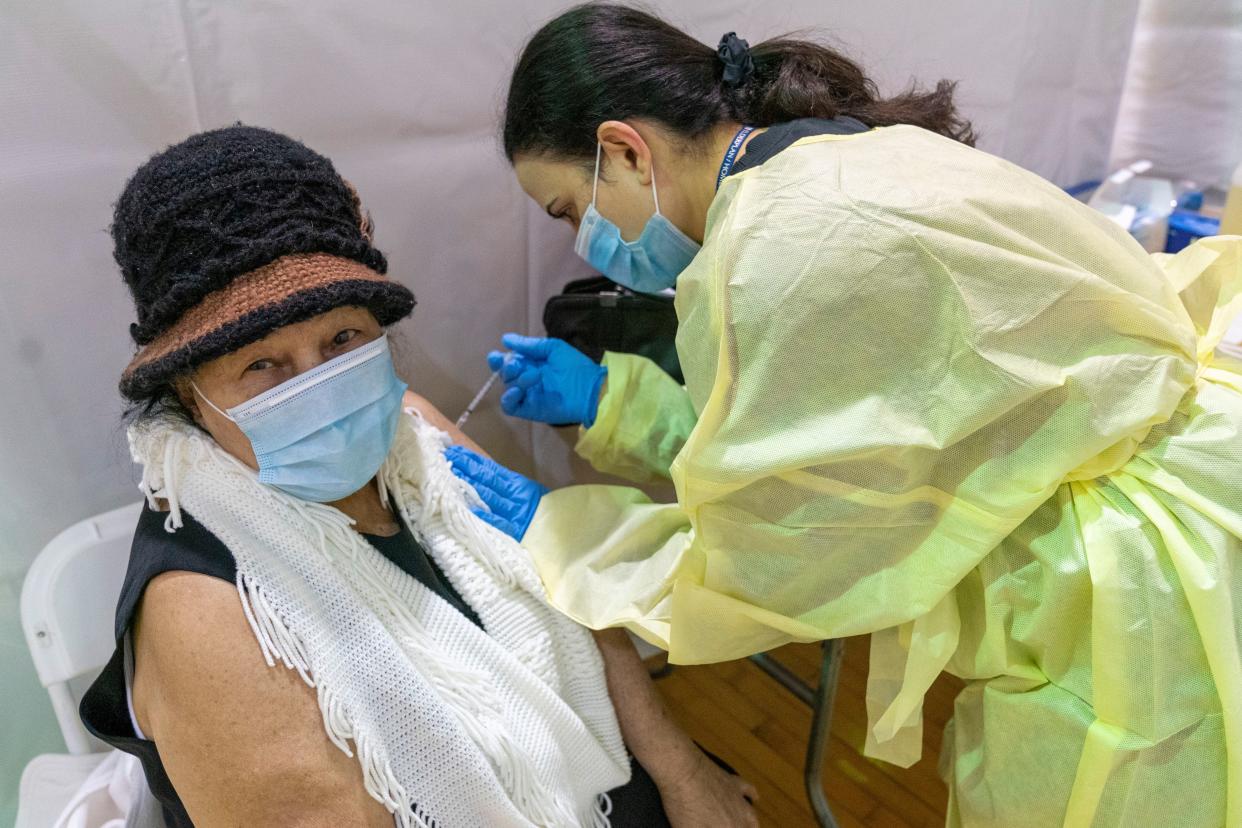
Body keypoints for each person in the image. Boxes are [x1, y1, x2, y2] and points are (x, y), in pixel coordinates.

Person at [446, 4, 1242, 826]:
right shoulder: (835, 158)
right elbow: (849, 441)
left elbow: (769, 560)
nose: (585, 241)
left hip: (1135, 597)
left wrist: (566, 536)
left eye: (568, 211)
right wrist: (610, 400)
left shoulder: (768, 254)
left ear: (622, 150)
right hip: (1204, 476)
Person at [79, 125, 758, 828]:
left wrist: (683, 771)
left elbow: (572, 599)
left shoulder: (412, 429)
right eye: (262, 365)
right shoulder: (206, 609)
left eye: (343, 338)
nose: (322, 386)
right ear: (191, 392)